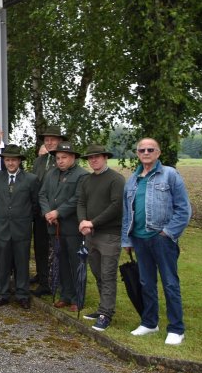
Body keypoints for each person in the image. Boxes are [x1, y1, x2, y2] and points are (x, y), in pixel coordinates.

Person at [122, 138, 191, 345]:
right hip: (139, 239)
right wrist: (127, 239)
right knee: (146, 283)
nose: (146, 152)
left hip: (162, 239)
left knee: (170, 283)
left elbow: (184, 209)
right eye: (141, 150)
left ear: (158, 153)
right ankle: (150, 322)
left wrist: (168, 232)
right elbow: (127, 213)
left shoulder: (169, 174)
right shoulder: (132, 180)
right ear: (137, 154)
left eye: (150, 149)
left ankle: (176, 329)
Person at [77, 144, 124, 331]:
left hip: (110, 235)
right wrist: (82, 222)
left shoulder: (116, 179)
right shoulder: (87, 180)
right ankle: (102, 308)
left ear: (105, 157)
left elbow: (116, 206)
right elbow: (81, 202)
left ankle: (106, 314)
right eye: (90, 158)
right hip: (91, 235)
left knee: (108, 274)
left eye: (97, 157)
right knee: (97, 273)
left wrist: (92, 222)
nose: (93, 160)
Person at [38, 141, 88, 311]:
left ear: (73, 157)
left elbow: (77, 199)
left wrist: (58, 212)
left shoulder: (81, 175)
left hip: (71, 226)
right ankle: (65, 295)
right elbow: (42, 194)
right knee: (61, 261)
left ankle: (77, 298)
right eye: (58, 158)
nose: (60, 161)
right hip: (53, 225)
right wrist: (47, 213)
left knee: (75, 262)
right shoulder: (51, 173)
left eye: (64, 158)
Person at [0, 145, 39, 309]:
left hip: (22, 228)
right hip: (2, 228)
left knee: (22, 263)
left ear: (19, 161)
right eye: (8, 160)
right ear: (4, 161)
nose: (11, 163)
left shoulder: (31, 179)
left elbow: (35, 204)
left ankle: (22, 294)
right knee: (2, 263)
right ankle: (3, 294)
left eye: (14, 160)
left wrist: (23, 217)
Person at [30, 125, 66, 296]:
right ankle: (43, 277)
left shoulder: (63, 160)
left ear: (60, 141)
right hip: (39, 212)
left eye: (53, 139)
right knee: (40, 246)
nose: (50, 142)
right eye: (47, 139)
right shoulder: (39, 161)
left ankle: (56, 280)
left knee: (57, 248)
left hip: (57, 212)